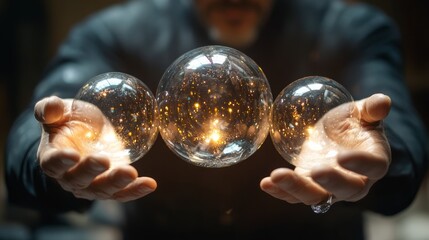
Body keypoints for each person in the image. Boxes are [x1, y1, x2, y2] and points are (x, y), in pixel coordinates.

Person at [5, 0, 428, 239]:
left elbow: (400, 133)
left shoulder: (352, 30)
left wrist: (378, 158)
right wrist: (52, 153)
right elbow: (40, 123)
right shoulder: (115, 33)